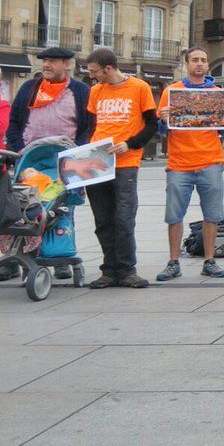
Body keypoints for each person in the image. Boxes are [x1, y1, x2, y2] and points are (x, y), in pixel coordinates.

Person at [1, 46, 95, 282]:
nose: (46, 65)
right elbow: (15, 122)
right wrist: (19, 148)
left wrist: (78, 151)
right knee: (26, 210)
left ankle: (61, 256)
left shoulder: (80, 90)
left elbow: (88, 125)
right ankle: (24, 257)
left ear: (67, 65)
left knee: (63, 207)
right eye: (44, 61)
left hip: (67, 159)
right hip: (31, 159)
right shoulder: (30, 88)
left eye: (52, 61)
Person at [155, 47, 224, 281]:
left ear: (207, 64)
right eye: (195, 60)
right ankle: (173, 262)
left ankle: (209, 261)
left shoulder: (215, 92)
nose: (199, 64)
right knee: (174, 216)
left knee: (212, 215)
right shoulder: (172, 91)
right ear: (186, 64)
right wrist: (163, 119)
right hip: (179, 163)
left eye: (203, 60)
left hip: (210, 161)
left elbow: (223, 130)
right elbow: (162, 130)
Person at [83, 48, 158, 289]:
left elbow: (152, 125)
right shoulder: (95, 91)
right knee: (103, 218)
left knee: (124, 218)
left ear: (108, 68)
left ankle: (127, 270)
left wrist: (130, 144)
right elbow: (89, 125)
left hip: (125, 162)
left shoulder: (139, 87)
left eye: (95, 72)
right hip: (98, 161)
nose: (93, 77)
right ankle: (109, 270)